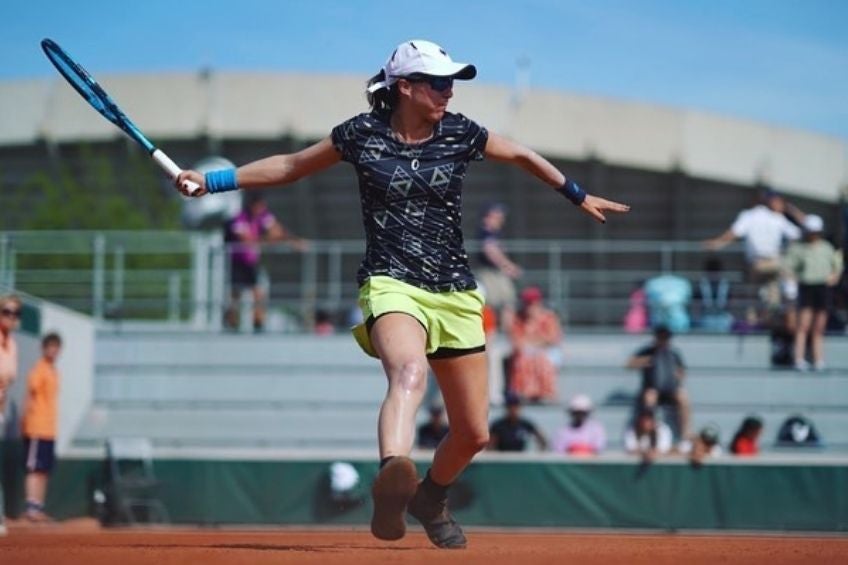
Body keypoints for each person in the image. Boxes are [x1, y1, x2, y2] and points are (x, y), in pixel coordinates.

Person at [176, 39, 629, 549]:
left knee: (474, 433)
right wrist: (213, 182)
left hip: (455, 288)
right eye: (438, 83)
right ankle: (393, 475)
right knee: (409, 372)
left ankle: (429, 497)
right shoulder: (360, 134)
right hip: (390, 281)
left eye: (452, 82)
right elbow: (290, 166)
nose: (449, 92)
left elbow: (522, 154)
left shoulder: (461, 132)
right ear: (405, 87)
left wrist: (577, 194)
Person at [704, 189, 803, 319]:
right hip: (771, 262)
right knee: (786, 283)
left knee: (763, 292)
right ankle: (786, 309)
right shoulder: (775, 217)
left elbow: (733, 233)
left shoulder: (749, 215)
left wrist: (718, 243)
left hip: (757, 264)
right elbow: (798, 234)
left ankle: (759, 318)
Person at [224, 193, 307, 332]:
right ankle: (232, 323)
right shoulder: (240, 219)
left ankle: (258, 322)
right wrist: (268, 239)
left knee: (258, 292)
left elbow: (277, 230)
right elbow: (247, 240)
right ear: (253, 206)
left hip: (251, 262)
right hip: (237, 262)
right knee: (236, 294)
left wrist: (292, 240)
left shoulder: (262, 216)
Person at [782, 215, 843, 371]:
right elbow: (788, 267)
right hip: (806, 287)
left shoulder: (826, 247)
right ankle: (799, 358)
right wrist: (793, 280)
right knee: (803, 326)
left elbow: (837, 266)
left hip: (822, 288)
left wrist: (834, 277)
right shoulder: (798, 248)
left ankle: (818, 359)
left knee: (819, 328)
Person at [21, 332, 62, 522]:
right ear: (44, 348)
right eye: (50, 346)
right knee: (34, 470)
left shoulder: (54, 371)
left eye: (56, 347)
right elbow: (30, 396)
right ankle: (31, 508)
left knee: (44, 471)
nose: (53, 350)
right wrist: (26, 421)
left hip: (49, 429)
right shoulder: (39, 369)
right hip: (36, 427)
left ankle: (39, 507)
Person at [626, 326, 690, 443]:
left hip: (670, 389)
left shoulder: (674, 354)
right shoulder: (648, 352)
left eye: (665, 338)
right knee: (650, 398)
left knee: (683, 398)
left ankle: (685, 432)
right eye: (661, 338)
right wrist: (645, 361)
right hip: (652, 389)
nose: (663, 341)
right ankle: (649, 430)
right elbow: (629, 364)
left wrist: (678, 375)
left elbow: (682, 372)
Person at [507, 286, 562, 403]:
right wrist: (534, 343)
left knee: (542, 360)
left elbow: (552, 339)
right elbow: (516, 341)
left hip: (547, 350)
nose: (529, 306)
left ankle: (545, 394)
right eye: (527, 303)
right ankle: (524, 394)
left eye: (532, 303)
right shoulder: (518, 318)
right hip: (527, 350)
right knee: (522, 360)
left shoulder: (548, 317)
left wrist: (533, 343)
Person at [475, 203, 522, 329]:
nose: (501, 218)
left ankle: (507, 335)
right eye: (497, 215)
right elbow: (491, 251)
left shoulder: (495, 233)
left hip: (497, 273)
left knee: (508, 304)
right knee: (492, 306)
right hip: (490, 274)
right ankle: (494, 337)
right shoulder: (486, 233)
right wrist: (508, 266)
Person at [0, 294, 22, 536]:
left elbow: (8, 379)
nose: (11, 317)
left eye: (15, 313)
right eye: (6, 311)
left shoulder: (12, 345)